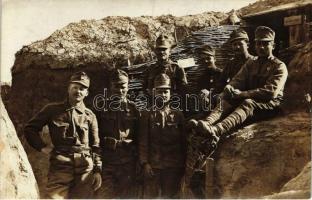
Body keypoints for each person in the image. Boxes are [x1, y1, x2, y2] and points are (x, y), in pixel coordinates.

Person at [183, 26, 288, 197]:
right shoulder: (251, 64)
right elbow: (236, 81)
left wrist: (243, 93)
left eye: (265, 44)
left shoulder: (279, 66)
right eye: (259, 44)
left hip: (269, 105)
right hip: (250, 100)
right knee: (227, 99)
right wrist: (229, 90)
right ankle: (207, 124)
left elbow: (271, 92)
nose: (261, 47)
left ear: (273, 45)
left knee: (247, 102)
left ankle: (217, 129)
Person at [24, 71, 102, 199]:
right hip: (60, 167)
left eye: (82, 88)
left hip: (85, 169)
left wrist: (98, 170)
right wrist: (44, 147)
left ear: (86, 93)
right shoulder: (52, 110)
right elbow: (30, 129)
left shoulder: (90, 116)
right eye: (75, 87)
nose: (78, 91)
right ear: (68, 88)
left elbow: (96, 146)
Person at [139, 73, 186, 198]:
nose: (163, 95)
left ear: (170, 93)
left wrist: (183, 165)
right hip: (154, 165)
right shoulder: (147, 114)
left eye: (166, 91)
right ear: (154, 93)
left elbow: (183, 143)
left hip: (173, 165)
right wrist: (145, 163)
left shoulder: (178, 115)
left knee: (170, 196)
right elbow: (143, 141)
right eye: (160, 91)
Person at [95, 69, 139, 198]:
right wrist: (97, 163)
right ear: (110, 86)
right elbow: (94, 139)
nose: (120, 91)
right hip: (107, 163)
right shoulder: (100, 108)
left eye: (123, 86)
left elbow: (139, 137)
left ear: (128, 87)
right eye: (116, 86)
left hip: (128, 162)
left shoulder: (133, 109)